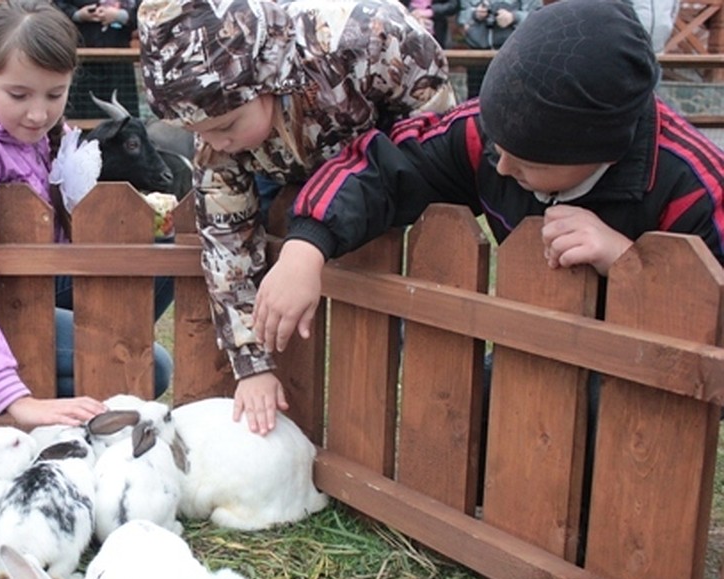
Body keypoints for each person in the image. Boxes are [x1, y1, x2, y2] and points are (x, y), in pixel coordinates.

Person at [255, 0, 724, 421]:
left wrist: (627, 263)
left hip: (640, 390)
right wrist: (307, 244)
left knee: (600, 411)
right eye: (500, 146)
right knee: (442, 365)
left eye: (529, 162)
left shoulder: (694, 187)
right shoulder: (487, 137)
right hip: (532, 350)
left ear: (603, 151)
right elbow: (386, 164)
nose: (502, 165)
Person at [137, 0, 455, 434]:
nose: (214, 143)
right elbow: (227, 242)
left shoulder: (367, 37)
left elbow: (436, 131)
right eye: (197, 132)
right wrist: (251, 365)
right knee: (273, 283)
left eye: (226, 124)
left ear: (265, 79)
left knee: (392, 303)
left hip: (386, 168)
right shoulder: (220, 142)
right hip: (280, 162)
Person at [0, 0, 172, 428]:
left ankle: (103, 342)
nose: (38, 112)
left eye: (55, 94)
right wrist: (15, 399)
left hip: (43, 277)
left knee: (159, 259)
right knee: (153, 366)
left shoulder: (35, 127)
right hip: (0, 303)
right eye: (19, 94)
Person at [55, 0, 143, 119]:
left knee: (124, 119)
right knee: (81, 117)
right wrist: (78, 15)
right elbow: (56, 8)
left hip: (120, 63)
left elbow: (146, 12)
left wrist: (118, 15)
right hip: (82, 62)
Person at [457, 0, 539, 99]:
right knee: (474, 101)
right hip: (477, 55)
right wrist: (475, 14)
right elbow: (461, 16)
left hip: (512, 54)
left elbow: (537, 16)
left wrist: (514, 17)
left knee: (511, 99)